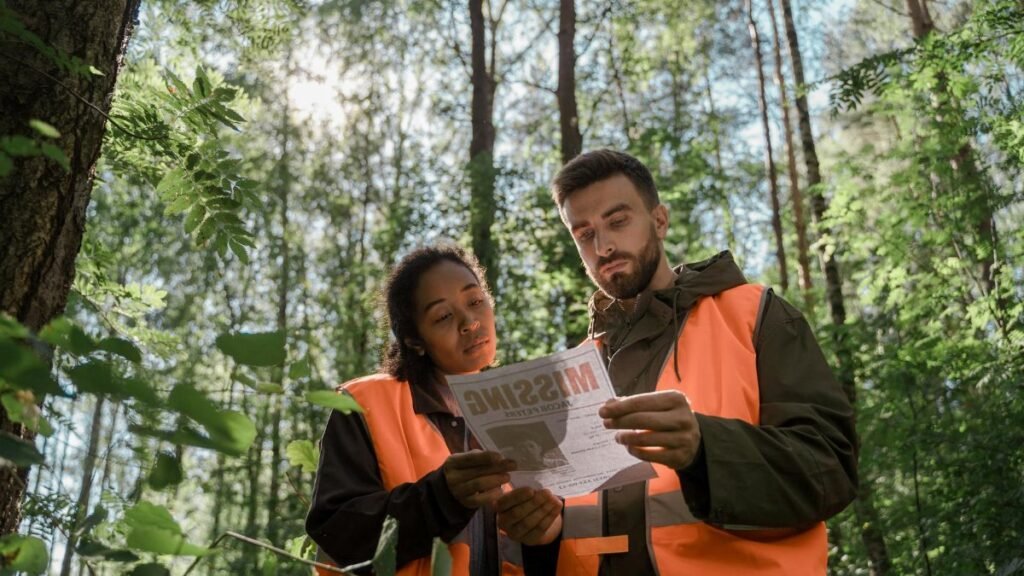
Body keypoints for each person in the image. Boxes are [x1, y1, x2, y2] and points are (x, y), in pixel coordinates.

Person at [494, 149, 858, 574]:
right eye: (584, 233)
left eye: (618, 221)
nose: (604, 245)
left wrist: (705, 449)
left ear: (660, 221)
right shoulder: (576, 369)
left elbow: (832, 469)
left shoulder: (755, 315)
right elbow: (572, 530)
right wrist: (545, 534)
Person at [305, 245, 557, 576]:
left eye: (475, 301)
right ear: (413, 340)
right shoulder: (362, 404)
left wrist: (547, 535)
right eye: (443, 316)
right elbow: (337, 533)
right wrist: (441, 498)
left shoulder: (527, 410)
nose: (469, 322)